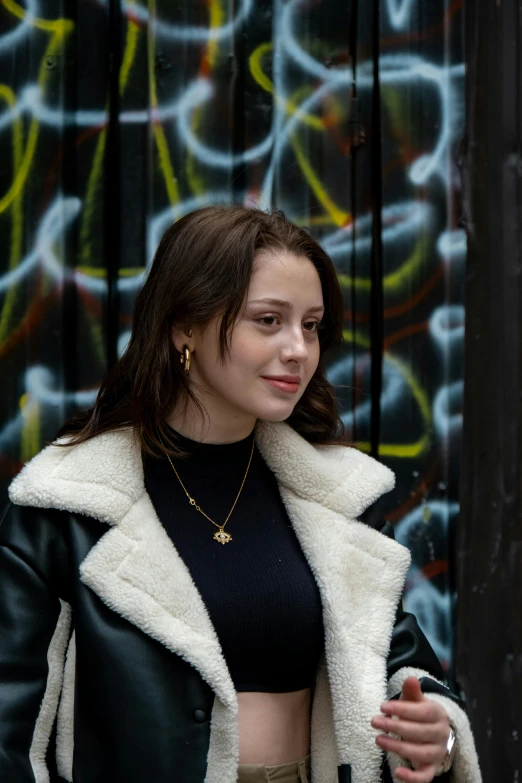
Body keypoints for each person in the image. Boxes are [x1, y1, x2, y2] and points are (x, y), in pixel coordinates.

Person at [0, 204, 481, 783]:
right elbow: (11, 725)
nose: (299, 349)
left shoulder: (333, 498)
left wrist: (439, 734)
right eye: (268, 320)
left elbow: (400, 667)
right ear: (185, 327)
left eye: (311, 325)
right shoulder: (68, 504)